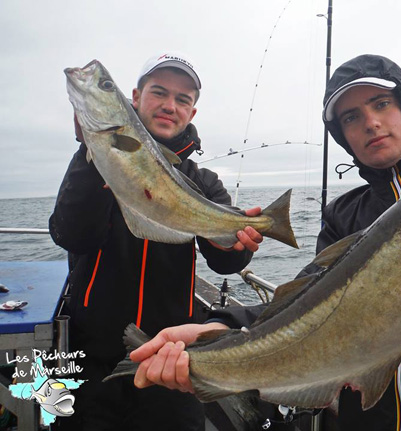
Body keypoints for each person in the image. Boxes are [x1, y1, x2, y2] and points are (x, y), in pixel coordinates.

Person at [127, 54, 401, 430]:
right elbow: (303, 303)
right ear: (341, 135)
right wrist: (224, 329)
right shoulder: (344, 215)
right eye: (351, 117)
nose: (371, 123)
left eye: (381, 103)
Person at [49, 52, 263, 431]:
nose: (170, 106)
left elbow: (225, 262)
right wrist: (92, 158)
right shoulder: (94, 159)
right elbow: (69, 234)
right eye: (159, 92)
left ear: (192, 113)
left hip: (172, 357)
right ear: (135, 98)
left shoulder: (204, 182)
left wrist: (236, 245)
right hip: (90, 355)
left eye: (183, 99)